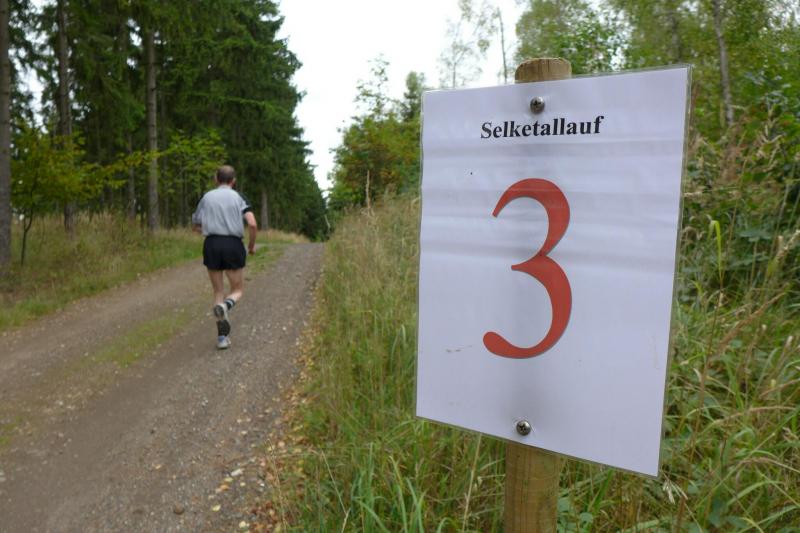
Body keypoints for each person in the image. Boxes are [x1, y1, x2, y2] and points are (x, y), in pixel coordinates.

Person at [191, 165, 257, 349]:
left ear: (216, 179)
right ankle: (227, 306)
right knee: (237, 290)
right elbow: (252, 223)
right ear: (233, 181)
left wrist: (209, 228)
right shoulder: (239, 197)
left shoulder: (206, 197)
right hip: (233, 244)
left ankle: (222, 338)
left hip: (211, 244)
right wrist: (251, 245)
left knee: (218, 291)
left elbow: (195, 225)